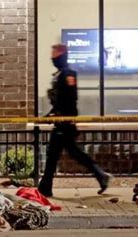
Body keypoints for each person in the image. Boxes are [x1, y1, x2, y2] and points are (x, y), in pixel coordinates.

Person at [38, 44, 112, 197]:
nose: (53, 59)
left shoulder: (68, 74)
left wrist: (62, 116)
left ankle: (45, 189)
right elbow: (57, 100)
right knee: (69, 154)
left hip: (65, 124)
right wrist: (50, 115)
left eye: (55, 56)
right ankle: (100, 175)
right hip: (61, 122)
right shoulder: (59, 75)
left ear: (62, 57)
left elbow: (70, 99)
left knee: (58, 155)